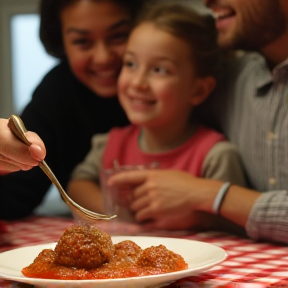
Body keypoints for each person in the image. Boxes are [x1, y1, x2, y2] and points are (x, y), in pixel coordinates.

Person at [106, 0, 288, 244]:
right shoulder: (237, 75)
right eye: (130, 64)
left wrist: (206, 195)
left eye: (159, 70)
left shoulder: (216, 146)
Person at [67, 0, 247, 232]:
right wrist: (114, 214)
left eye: (159, 70)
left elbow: (235, 222)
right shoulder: (110, 144)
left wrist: (196, 217)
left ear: (199, 90)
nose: (138, 82)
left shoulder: (215, 156)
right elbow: (78, 185)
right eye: (130, 64)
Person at [0, 0, 145, 220]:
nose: (103, 57)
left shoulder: (183, 85)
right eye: (82, 42)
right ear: (61, 41)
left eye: (118, 36)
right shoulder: (57, 92)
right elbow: (14, 196)